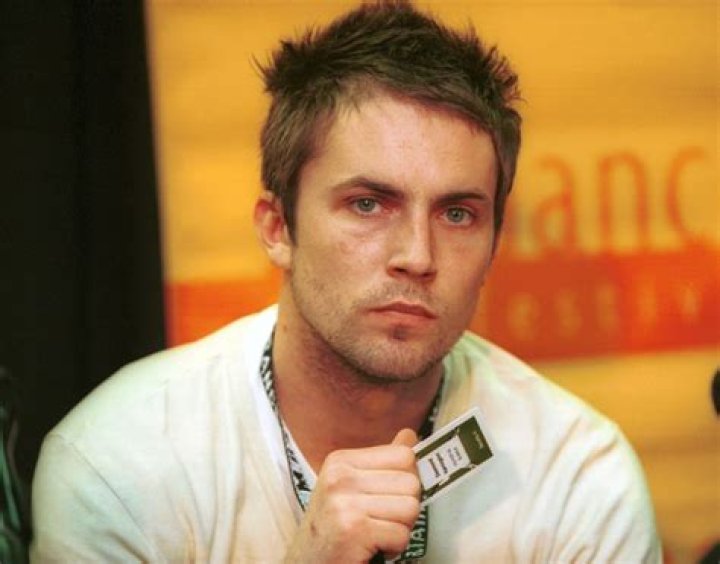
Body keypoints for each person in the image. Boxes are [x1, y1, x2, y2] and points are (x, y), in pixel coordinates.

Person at [31, 1, 661, 562]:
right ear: (278, 227)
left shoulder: (578, 476)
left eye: (457, 214)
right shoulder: (118, 466)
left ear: (495, 245)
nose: (418, 256)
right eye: (368, 204)